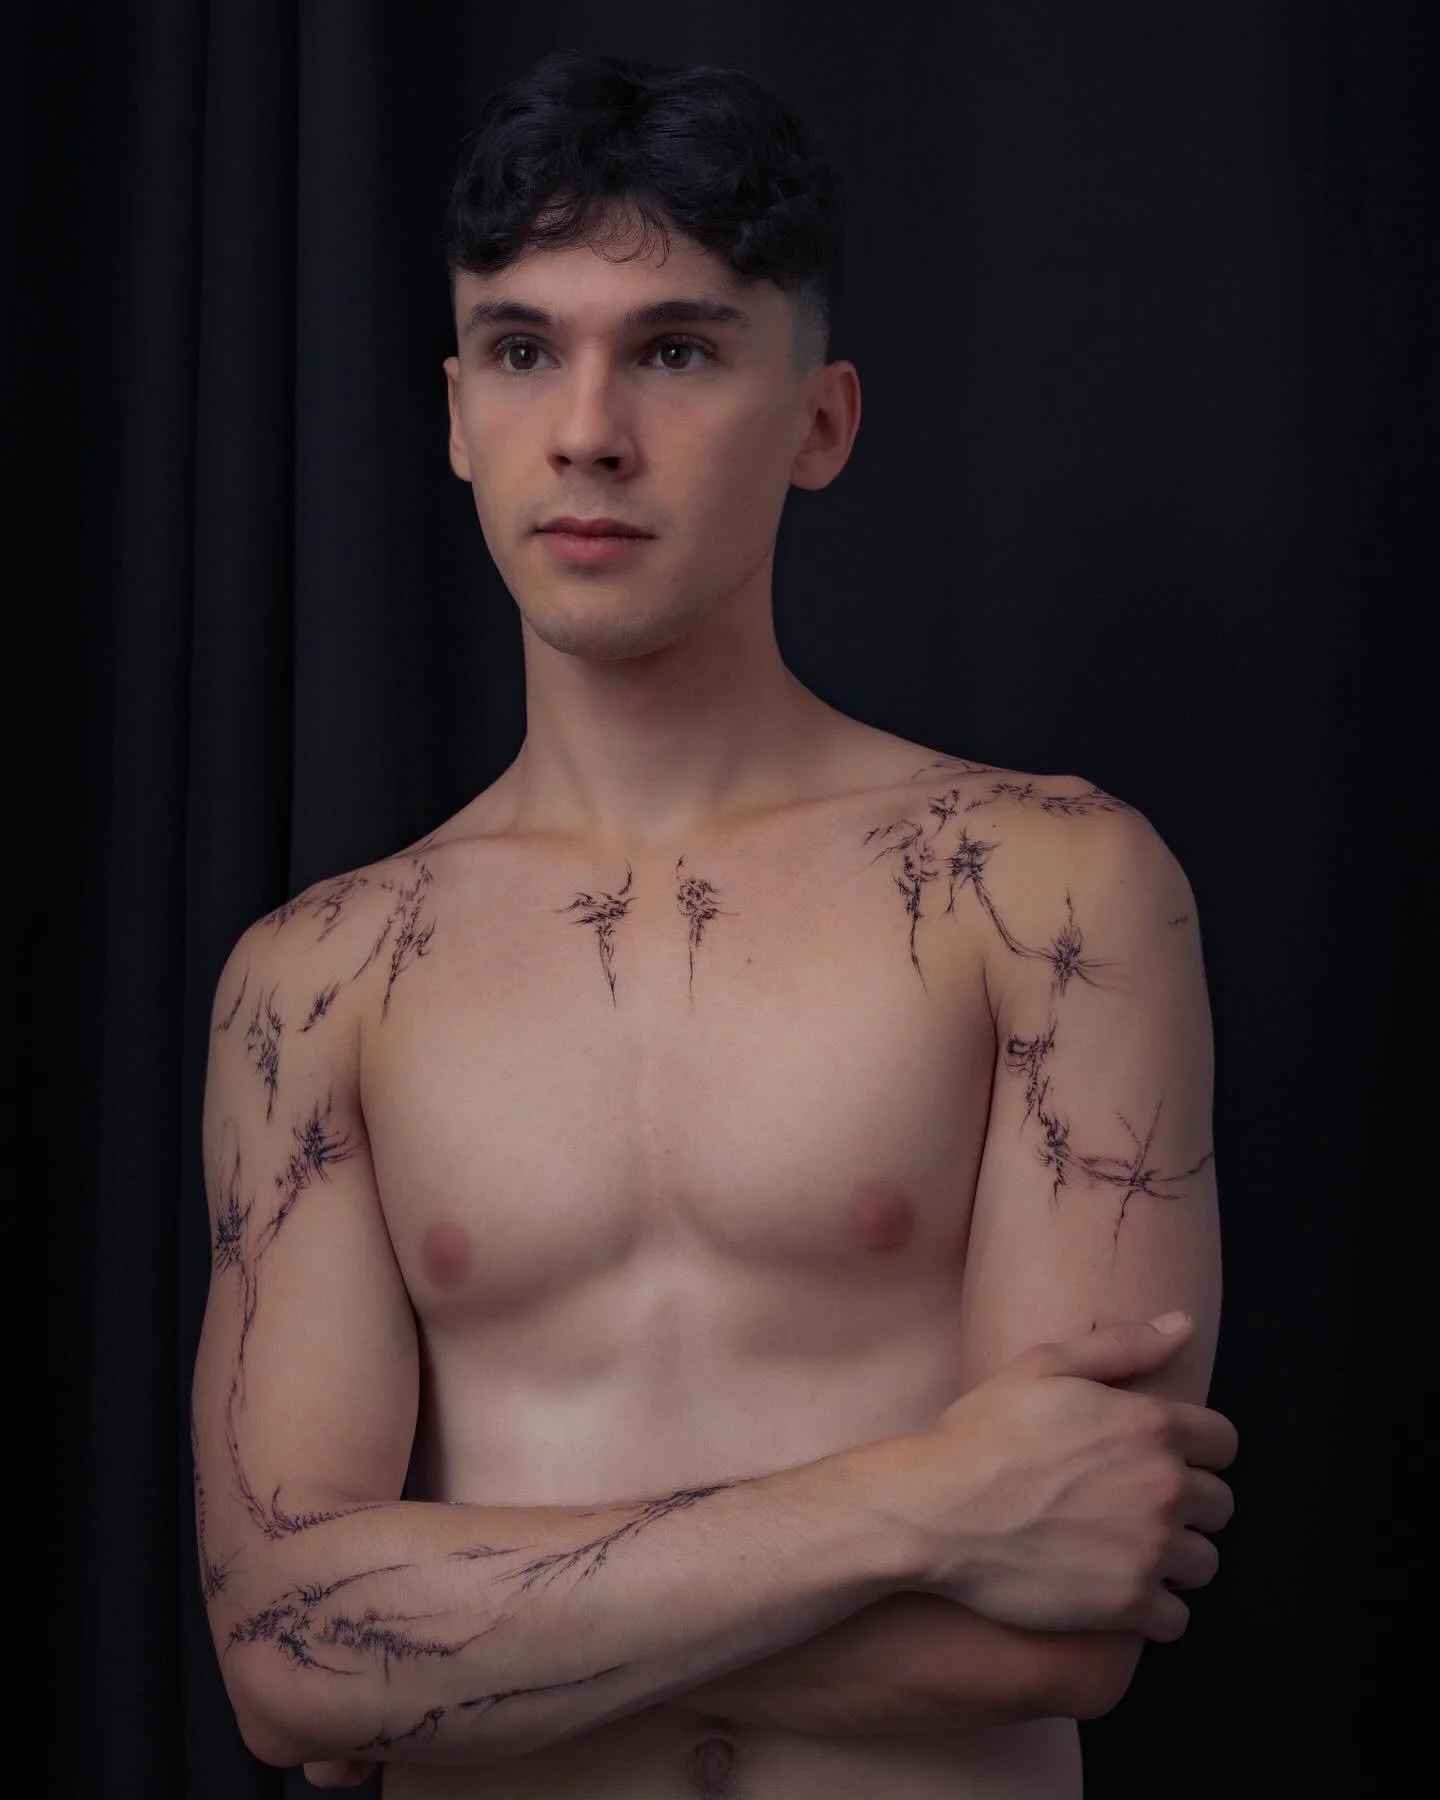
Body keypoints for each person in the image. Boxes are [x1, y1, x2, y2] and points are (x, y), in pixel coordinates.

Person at [191, 47, 1237, 1800]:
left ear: (821, 422)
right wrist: (922, 1505)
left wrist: (453, 1632)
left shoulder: (1048, 885)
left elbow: (1061, 1623)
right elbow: (290, 1665)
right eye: (523, 350)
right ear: (454, 415)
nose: (586, 430)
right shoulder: (315, 982)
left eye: (674, 351)